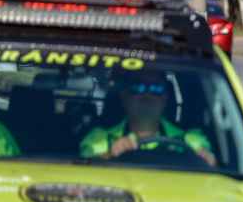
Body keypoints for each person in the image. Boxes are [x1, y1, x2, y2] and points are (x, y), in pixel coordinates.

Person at [79, 71, 217, 167]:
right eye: (138, 88)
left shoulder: (189, 139)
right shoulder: (100, 138)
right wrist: (109, 155)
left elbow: (213, 176)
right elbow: (80, 172)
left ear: (165, 98)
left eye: (156, 89)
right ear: (124, 96)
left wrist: (208, 161)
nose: (147, 95)